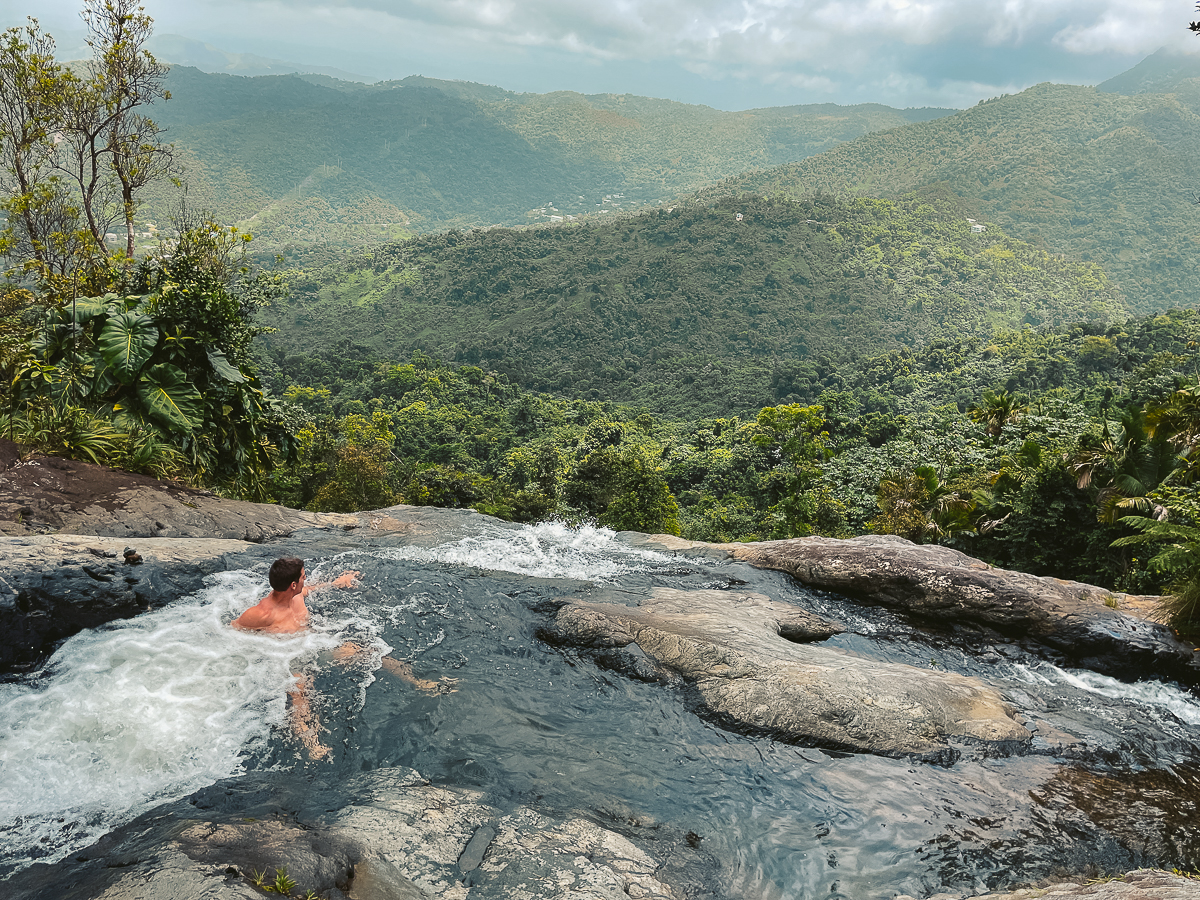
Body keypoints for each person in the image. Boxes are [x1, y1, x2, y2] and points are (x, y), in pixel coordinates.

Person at [232, 556, 456, 759]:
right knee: (300, 695)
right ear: (292, 585)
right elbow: (228, 634)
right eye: (302, 576)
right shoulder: (260, 614)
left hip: (316, 645)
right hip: (290, 656)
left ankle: (420, 683)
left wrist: (334, 584)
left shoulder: (295, 596)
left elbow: (307, 590)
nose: (305, 578)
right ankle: (312, 746)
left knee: (368, 651)